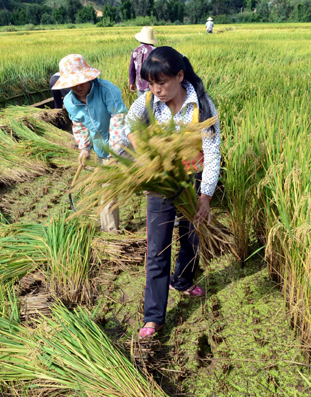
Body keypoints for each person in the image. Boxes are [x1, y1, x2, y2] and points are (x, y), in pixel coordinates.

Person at [123, 47, 221, 339]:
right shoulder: (149, 101)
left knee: (191, 237)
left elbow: (213, 153)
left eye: (161, 83)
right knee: (157, 249)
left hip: (193, 179)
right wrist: (143, 152)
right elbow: (129, 122)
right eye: (151, 84)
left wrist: (205, 197)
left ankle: (183, 281)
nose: (156, 90)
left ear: (179, 76)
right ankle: (153, 316)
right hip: (160, 180)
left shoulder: (203, 106)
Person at [51, 54, 128, 233]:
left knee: (143, 185)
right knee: (107, 191)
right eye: (73, 82)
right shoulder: (70, 101)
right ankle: (109, 233)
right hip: (102, 151)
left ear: (89, 77)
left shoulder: (108, 90)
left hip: (125, 145)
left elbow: (118, 121)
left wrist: (116, 152)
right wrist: (84, 148)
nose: (78, 86)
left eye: (81, 81)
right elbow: (79, 125)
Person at [129, 26, 157, 98]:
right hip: (153, 85)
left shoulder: (135, 51)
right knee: (152, 107)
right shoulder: (155, 51)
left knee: (142, 106)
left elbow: (131, 68)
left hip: (140, 85)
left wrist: (132, 82)